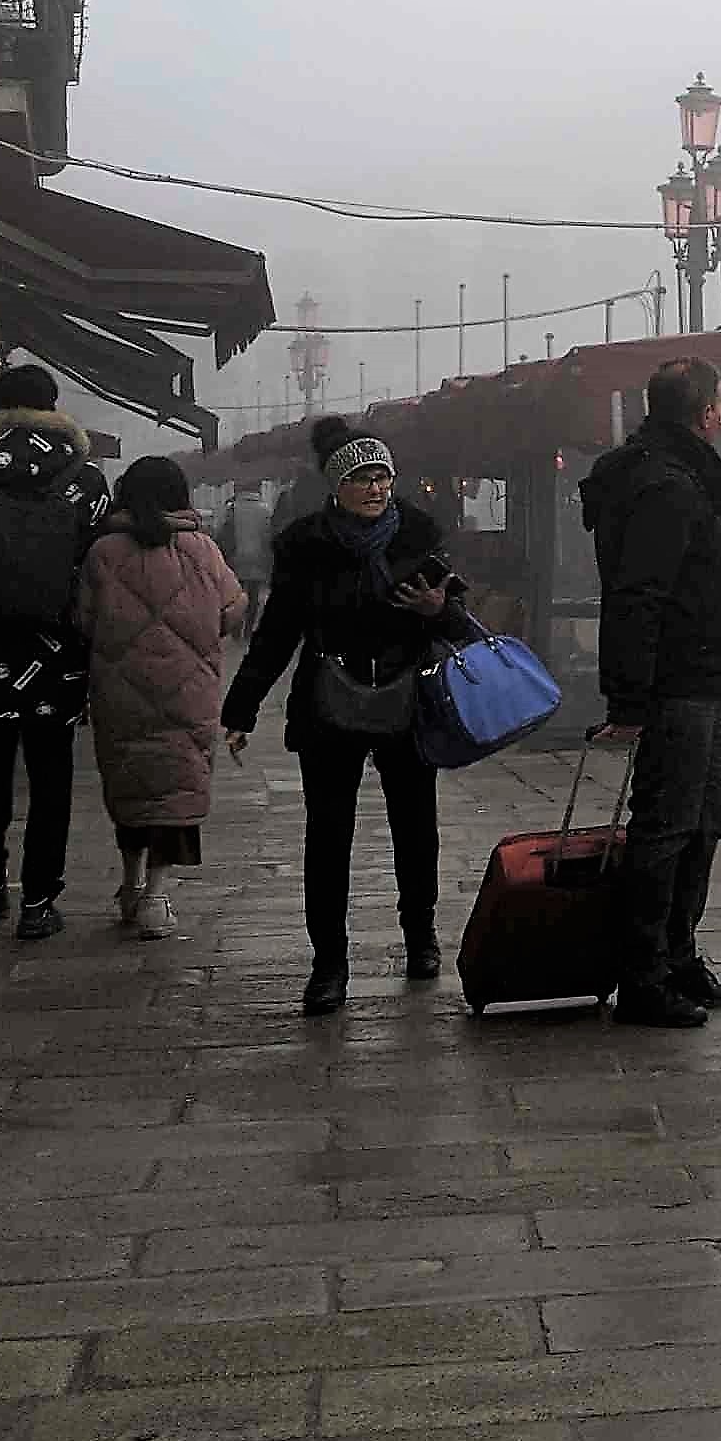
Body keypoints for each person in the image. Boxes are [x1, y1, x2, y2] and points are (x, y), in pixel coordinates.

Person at [224, 433, 467, 1013]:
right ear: (337, 487)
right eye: (362, 479)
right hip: (328, 702)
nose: (376, 488)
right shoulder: (304, 544)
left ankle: (419, 936)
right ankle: (329, 963)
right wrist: (242, 707)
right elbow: (279, 629)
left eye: (383, 477)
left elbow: (457, 617)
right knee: (328, 836)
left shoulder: (419, 536)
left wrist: (437, 610)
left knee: (415, 826)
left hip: (406, 697)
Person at [582, 356, 721, 1030]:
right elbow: (638, 597)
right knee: (666, 829)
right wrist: (629, 698)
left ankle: (677, 954)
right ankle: (643, 975)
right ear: (706, 411)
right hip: (677, 685)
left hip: (704, 681)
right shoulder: (666, 485)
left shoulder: (677, 475)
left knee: (707, 817)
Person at [0, 362, 110, 937]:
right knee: (52, 770)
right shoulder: (85, 479)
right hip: (57, 648)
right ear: (54, 407)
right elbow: (95, 567)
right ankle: (39, 899)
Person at [78, 454, 246, 939]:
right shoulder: (203, 549)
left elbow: (82, 620)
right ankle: (156, 894)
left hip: (119, 695)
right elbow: (231, 611)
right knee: (175, 788)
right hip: (187, 693)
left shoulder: (103, 551)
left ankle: (128, 885)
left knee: (130, 782)